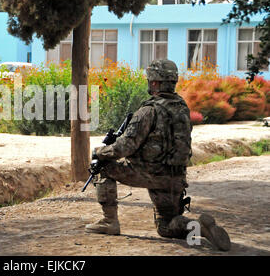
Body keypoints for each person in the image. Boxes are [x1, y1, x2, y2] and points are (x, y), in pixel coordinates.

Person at [85, 59, 231, 252]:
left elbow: (125, 147)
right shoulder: (182, 108)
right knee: (166, 226)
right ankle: (198, 226)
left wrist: (99, 152)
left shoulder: (148, 111)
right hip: (175, 177)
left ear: (154, 82)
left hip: (148, 173)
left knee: (103, 166)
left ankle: (109, 221)